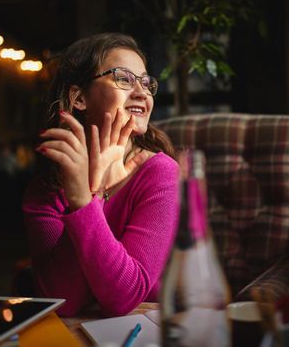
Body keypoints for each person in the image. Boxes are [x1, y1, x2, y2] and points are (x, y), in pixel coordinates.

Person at [22, 33, 179, 317]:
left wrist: (86, 200)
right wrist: (89, 193)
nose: (142, 93)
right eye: (124, 79)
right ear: (79, 97)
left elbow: (124, 298)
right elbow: (63, 302)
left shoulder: (161, 173)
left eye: (146, 82)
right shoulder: (44, 190)